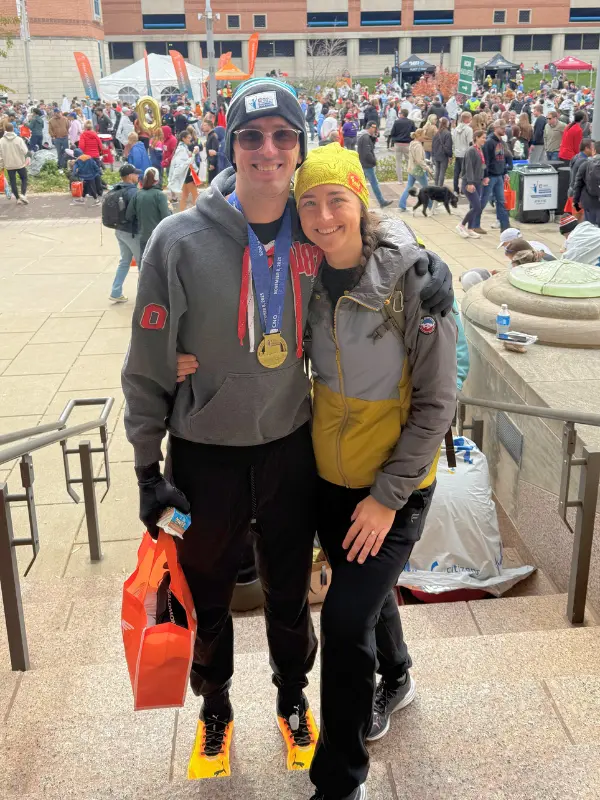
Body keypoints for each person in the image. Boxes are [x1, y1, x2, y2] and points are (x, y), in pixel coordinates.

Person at [122, 77, 454, 786]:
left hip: (288, 450)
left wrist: (430, 260)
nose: (267, 150)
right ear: (230, 146)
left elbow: (370, 228)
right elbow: (145, 365)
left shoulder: (312, 231)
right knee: (209, 594)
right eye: (251, 136)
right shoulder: (175, 240)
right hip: (204, 454)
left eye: (282, 136)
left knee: (288, 593)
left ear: (299, 148)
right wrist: (149, 470)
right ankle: (214, 706)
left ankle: (293, 698)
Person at [292, 144, 457, 800]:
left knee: (340, 618)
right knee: (365, 599)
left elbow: (438, 401)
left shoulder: (415, 277)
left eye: (337, 199)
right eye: (309, 203)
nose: (324, 215)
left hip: (394, 489)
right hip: (329, 482)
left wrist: (387, 498)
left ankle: (341, 780)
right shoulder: (302, 275)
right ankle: (399, 673)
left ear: (361, 200)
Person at [107, 163, 141, 303]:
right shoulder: (133, 192)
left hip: (119, 230)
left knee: (124, 261)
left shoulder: (116, 189)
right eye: (135, 174)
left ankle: (116, 292)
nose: (138, 176)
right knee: (143, 264)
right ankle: (143, 296)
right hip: (132, 232)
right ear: (129, 176)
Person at [125, 166, 172, 258]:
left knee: (145, 266)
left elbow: (128, 215)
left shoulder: (138, 194)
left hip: (143, 237)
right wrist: (170, 209)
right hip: (158, 238)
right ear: (157, 180)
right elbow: (166, 218)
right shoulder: (160, 195)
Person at [456, 129, 488, 239]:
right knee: (477, 207)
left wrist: (483, 177)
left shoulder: (480, 149)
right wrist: (470, 183)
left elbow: (481, 165)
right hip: (470, 183)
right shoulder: (471, 151)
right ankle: (461, 225)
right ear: (477, 138)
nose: (485, 139)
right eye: (483, 137)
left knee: (475, 206)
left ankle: (470, 228)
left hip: (478, 182)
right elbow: (468, 167)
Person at [481, 120, 511, 232]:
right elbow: (486, 161)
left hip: (499, 176)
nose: (504, 130)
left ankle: (505, 226)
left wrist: (505, 172)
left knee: (501, 201)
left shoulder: (500, 141)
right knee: (483, 201)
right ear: (496, 128)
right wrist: (486, 175)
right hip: (491, 176)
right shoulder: (489, 142)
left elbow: (502, 159)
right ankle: (473, 224)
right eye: (502, 128)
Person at [357, 121, 393, 209]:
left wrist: (373, 137)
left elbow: (370, 147)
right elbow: (367, 152)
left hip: (363, 163)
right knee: (374, 184)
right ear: (368, 127)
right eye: (373, 127)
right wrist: (373, 161)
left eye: (375, 127)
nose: (374, 129)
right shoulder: (365, 137)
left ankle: (359, 202)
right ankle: (381, 201)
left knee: (361, 184)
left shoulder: (365, 136)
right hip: (367, 164)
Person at [398, 128, 432, 212]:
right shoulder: (418, 146)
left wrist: (425, 161)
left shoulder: (412, 144)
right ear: (419, 136)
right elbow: (419, 160)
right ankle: (431, 206)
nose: (425, 137)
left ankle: (402, 205)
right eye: (424, 135)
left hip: (411, 169)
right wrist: (427, 168)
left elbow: (416, 158)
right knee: (426, 188)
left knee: (408, 187)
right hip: (418, 170)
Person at [168, 130, 200, 211]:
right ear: (183, 138)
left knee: (184, 196)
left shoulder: (181, 147)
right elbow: (187, 162)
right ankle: (196, 215)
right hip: (188, 173)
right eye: (188, 138)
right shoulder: (182, 149)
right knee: (195, 195)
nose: (190, 139)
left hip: (185, 174)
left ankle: (181, 213)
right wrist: (193, 153)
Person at [0, 123, 29, 205]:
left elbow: (0, 155)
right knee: (24, 178)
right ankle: (23, 194)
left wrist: (1, 166)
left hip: (9, 165)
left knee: (13, 181)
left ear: (5, 129)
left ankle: (17, 198)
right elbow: (25, 151)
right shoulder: (18, 139)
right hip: (20, 163)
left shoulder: (1, 141)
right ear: (13, 129)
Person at [573, 140, 600, 226]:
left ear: (594, 151)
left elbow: (578, 184)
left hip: (589, 201)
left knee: (589, 227)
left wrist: (575, 201)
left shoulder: (585, 164)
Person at [390, 109, 415, 184]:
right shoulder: (411, 122)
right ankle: (410, 180)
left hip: (398, 144)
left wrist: (393, 141)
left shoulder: (397, 122)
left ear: (402, 114)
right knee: (409, 162)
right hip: (407, 144)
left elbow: (392, 133)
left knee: (398, 162)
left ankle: (400, 180)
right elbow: (414, 133)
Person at [452, 111, 473, 194]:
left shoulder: (456, 129)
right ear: (467, 119)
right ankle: (463, 191)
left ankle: (455, 190)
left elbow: (453, 141)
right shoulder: (469, 129)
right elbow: (470, 143)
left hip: (457, 153)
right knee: (465, 173)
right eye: (470, 118)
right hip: (465, 154)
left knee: (456, 173)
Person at [431, 117, 452, 187]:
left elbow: (433, 145)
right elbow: (448, 146)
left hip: (436, 154)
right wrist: (450, 155)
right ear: (446, 123)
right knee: (442, 172)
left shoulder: (437, 132)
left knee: (437, 171)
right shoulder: (448, 133)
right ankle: (440, 187)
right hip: (443, 155)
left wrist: (433, 155)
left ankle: (436, 185)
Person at [202, 117, 220, 184]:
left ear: (209, 126)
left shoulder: (213, 136)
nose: (202, 127)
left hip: (213, 163)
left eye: (204, 125)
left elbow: (214, 150)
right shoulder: (210, 136)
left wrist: (212, 164)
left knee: (212, 182)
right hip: (210, 161)